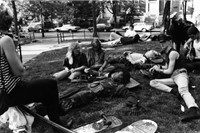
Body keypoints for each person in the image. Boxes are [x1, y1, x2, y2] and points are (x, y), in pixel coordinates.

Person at [0, 3, 69, 133]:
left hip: (3, 91)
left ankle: (57, 115)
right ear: (7, 21)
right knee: (51, 84)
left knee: (43, 88)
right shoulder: (4, 40)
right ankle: (58, 123)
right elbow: (19, 71)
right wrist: (14, 47)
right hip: (10, 92)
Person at [149, 45, 200, 123]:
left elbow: (169, 71)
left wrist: (159, 70)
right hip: (174, 77)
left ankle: (194, 110)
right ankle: (174, 91)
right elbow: (167, 66)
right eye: (160, 42)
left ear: (169, 41)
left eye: (164, 41)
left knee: (183, 90)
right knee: (153, 82)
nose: (162, 44)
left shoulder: (172, 53)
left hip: (180, 74)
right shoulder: (167, 53)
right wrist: (157, 67)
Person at [60, 67, 140, 114]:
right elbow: (97, 74)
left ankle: (58, 108)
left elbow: (130, 94)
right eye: (118, 72)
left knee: (69, 100)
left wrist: (133, 105)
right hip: (82, 87)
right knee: (64, 94)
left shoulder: (119, 87)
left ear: (122, 79)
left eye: (120, 74)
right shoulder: (107, 77)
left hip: (89, 93)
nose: (117, 74)